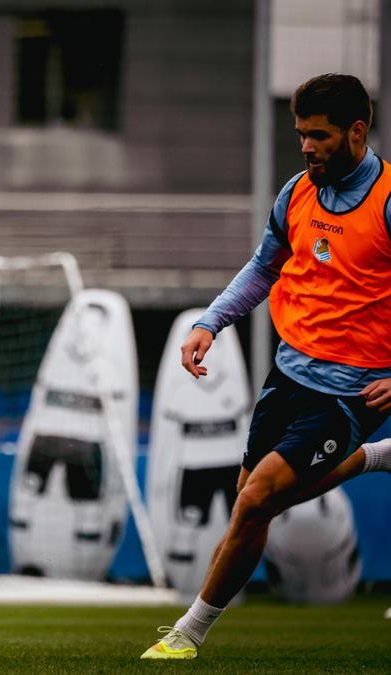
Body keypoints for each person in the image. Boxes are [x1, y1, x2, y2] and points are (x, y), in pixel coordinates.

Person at [142, 73, 391, 660]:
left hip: (351, 390)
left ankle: (187, 635)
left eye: (320, 136)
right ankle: (375, 459)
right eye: (301, 134)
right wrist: (211, 321)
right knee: (251, 503)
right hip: (288, 373)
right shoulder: (296, 193)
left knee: (257, 499)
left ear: (357, 132)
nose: (306, 147)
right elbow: (262, 268)